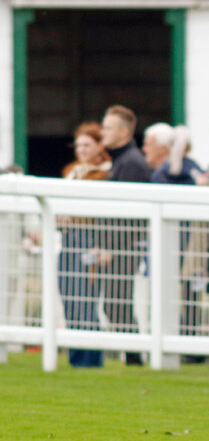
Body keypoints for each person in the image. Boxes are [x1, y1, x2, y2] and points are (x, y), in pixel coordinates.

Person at [100, 105, 152, 365]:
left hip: (124, 245)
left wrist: (110, 246)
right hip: (119, 244)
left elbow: (128, 215)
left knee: (116, 302)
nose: (102, 132)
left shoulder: (131, 162)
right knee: (114, 302)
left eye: (108, 127)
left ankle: (133, 356)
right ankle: (131, 355)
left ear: (124, 131)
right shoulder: (122, 160)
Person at [58, 122, 111, 367]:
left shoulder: (104, 174)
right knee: (68, 298)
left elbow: (98, 211)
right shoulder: (72, 171)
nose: (81, 150)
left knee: (86, 300)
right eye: (78, 145)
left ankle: (91, 360)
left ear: (99, 146)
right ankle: (75, 359)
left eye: (87, 145)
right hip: (68, 239)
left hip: (89, 239)